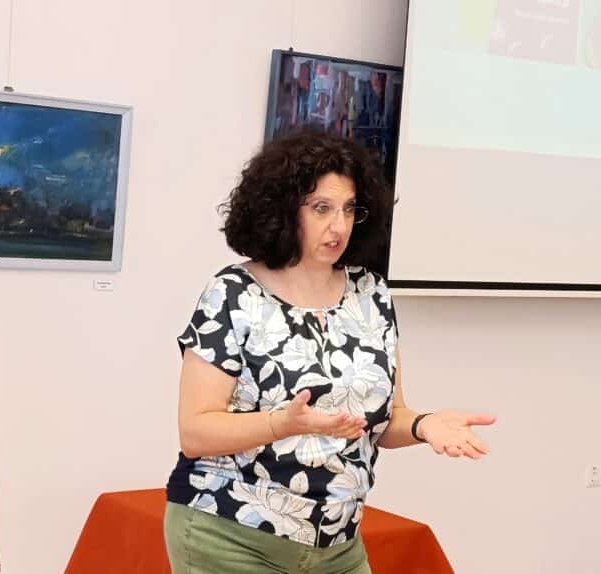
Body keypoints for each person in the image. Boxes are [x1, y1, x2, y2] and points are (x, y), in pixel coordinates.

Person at [164, 130, 496, 574]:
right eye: (321, 208)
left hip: (337, 544)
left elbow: (384, 419)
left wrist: (422, 424)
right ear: (283, 209)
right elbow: (196, 432)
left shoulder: (371, 293)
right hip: (230, 532)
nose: (339, 226)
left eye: (349, 209)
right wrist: (281, 424)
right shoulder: (233, 293)